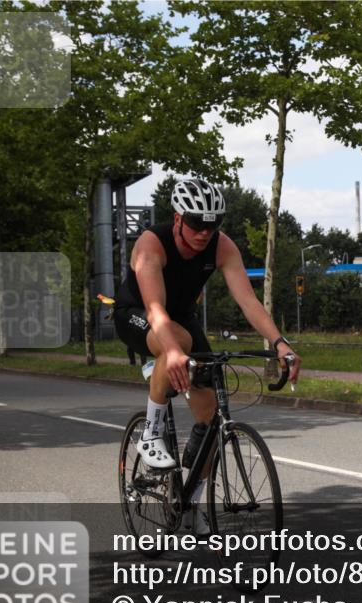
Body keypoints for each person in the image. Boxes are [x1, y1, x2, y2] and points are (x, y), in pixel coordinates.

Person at [114, 178, 300, 532]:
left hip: (181, 319)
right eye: (197, 223)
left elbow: (248, 301)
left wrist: (279, 342)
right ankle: (151, 433)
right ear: (178, 218)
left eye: (213, 225)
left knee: (211, 411)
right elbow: (155, 309)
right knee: (177, 341)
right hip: (137, 314)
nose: (204, 232)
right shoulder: (151, 244)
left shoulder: (221, 246)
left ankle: (190, 503)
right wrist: (171, 351)